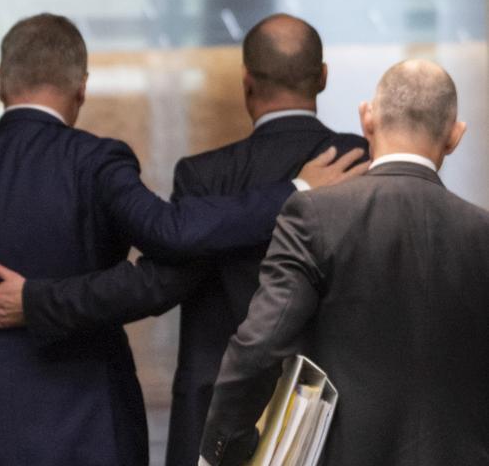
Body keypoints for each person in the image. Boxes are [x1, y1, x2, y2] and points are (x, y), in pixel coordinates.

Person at [0, 13, 364, 466]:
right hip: (93, 439)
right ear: (81, 88)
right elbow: (171, 236)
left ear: (1, 82)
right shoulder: (96, 164)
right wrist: (295, 191)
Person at [199, 59, 489, 466]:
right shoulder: (482, 231)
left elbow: (259, 346)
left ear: (367, 117)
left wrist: (224, 447)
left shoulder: (314, 215)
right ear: (455, 136)